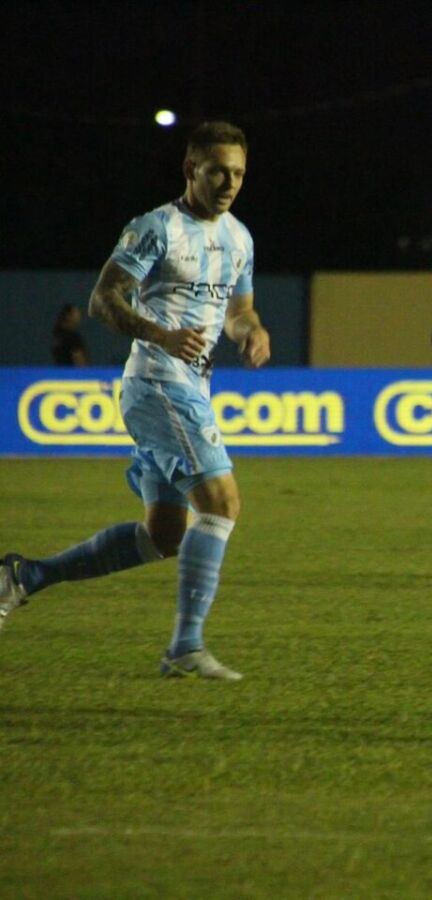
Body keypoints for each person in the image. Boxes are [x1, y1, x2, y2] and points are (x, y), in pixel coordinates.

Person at [0, 121, 269, 680]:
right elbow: (104, 300)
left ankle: (24, 576)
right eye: (218, 170)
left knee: (163, 536)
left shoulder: (239, 238)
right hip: (157, 381)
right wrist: (161, 334)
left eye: (239, 172)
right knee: (221, 503)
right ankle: (185, 648)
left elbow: (239, 312)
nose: (229, 182)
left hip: (192, 387)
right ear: (191, 168)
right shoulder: (156, 228)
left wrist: (251, 333)